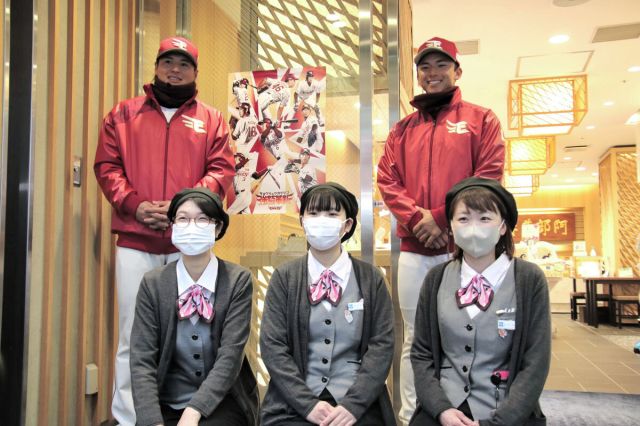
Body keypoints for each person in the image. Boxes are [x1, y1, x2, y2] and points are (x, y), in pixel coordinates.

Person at [94, 36, 235, 425]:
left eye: (184, 63)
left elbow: (221, 170)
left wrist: (181, 209)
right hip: (135, 241)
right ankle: (129, 418)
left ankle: (188, 413)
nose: (175, 69)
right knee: (132, 334)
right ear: (156, 67)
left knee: (191, 333)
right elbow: (107, 166)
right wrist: (135, 205)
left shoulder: (212, 120)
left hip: (187, 244)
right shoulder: (122, 114)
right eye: (168, 62)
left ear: (195, 72)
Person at [376, 36, 505, 423]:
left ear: (457, 71)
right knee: (415, 336)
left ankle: (471, 411)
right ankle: (410, 415)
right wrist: (419, 220)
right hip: (415, 250)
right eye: (425, 67)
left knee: (469, 331)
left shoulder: (482, 120)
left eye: (441, 65)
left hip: (466, 249)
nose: (432, 73)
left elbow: (488, 178)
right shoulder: (401, 130)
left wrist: (440, 217)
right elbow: (387, 181)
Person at [410, 177, 550, 426]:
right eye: (463, 219)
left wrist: (499, 421)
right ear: (451, 227)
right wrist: (441, 409)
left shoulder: (529, 278)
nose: (474, 228)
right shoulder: (436, 278)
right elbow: (422, 353)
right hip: (444, 406)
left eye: (485, 218)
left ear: (503, 226)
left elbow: (536, 361)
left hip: (506, 410)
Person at [259, 183, 396, 425]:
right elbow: (273, 347)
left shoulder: (371, 279)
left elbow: (381, 346)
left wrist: (353, 405)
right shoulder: (284, 277)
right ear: (302, 222)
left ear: (347, 225)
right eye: (313, 213)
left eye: (332, 214)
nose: (321, 220)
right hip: (294, 404)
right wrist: (307, 404)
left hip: (358, 404)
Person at [130, 188, 259, 426]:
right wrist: (151, 420)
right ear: (172, 226)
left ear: (218, 228)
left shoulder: (237, 280)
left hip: (222, 402)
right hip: (167, 402)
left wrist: (194, 411)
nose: (191, 226)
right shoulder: (153, 283)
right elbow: (142, 359)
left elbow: (230, 357)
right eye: (183, 219)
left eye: (202, 219)